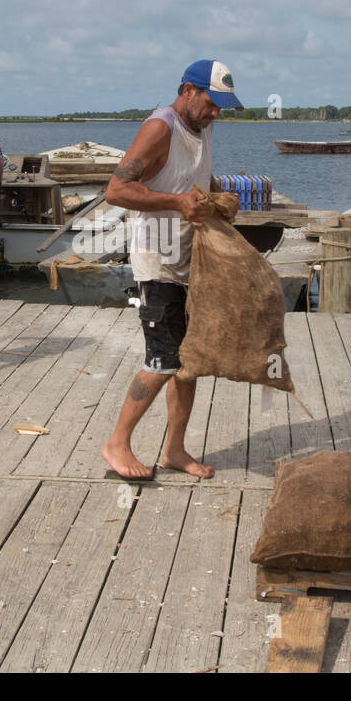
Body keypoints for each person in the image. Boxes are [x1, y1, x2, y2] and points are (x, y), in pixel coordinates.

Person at [100, 60, 243, 480]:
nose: (217, 112)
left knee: (190, 362)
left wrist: (218, 198)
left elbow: (196, 176)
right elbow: (117, 190)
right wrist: (177, 203)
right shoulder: (160, 128)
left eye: (222, 106)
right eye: (212, 103)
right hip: (155, 259)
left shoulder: (203, 126)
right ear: (187, 90)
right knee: (163, 359)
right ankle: (117, 443)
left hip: (189, 259)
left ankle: (175, 450)